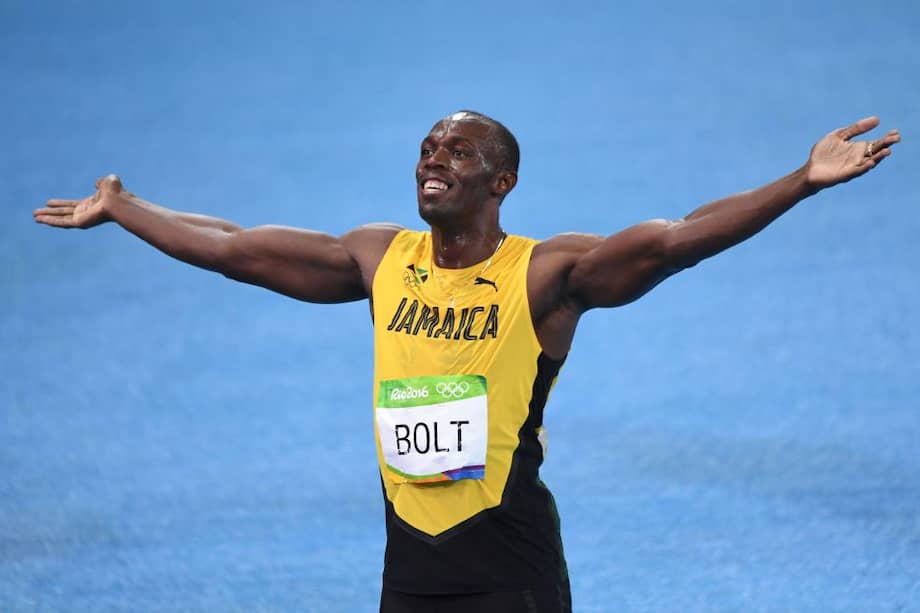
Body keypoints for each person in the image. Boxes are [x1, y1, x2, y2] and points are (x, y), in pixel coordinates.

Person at [33, 111, 900, 612]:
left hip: (507, 566)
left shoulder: (547, 275)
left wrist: (801, 179)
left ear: (502, 183)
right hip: (409, 564)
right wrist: (128, 208)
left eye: (457, 152)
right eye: (426, 149)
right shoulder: (381, 259)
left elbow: (673, 241)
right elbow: (235, 246)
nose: (432, 160)